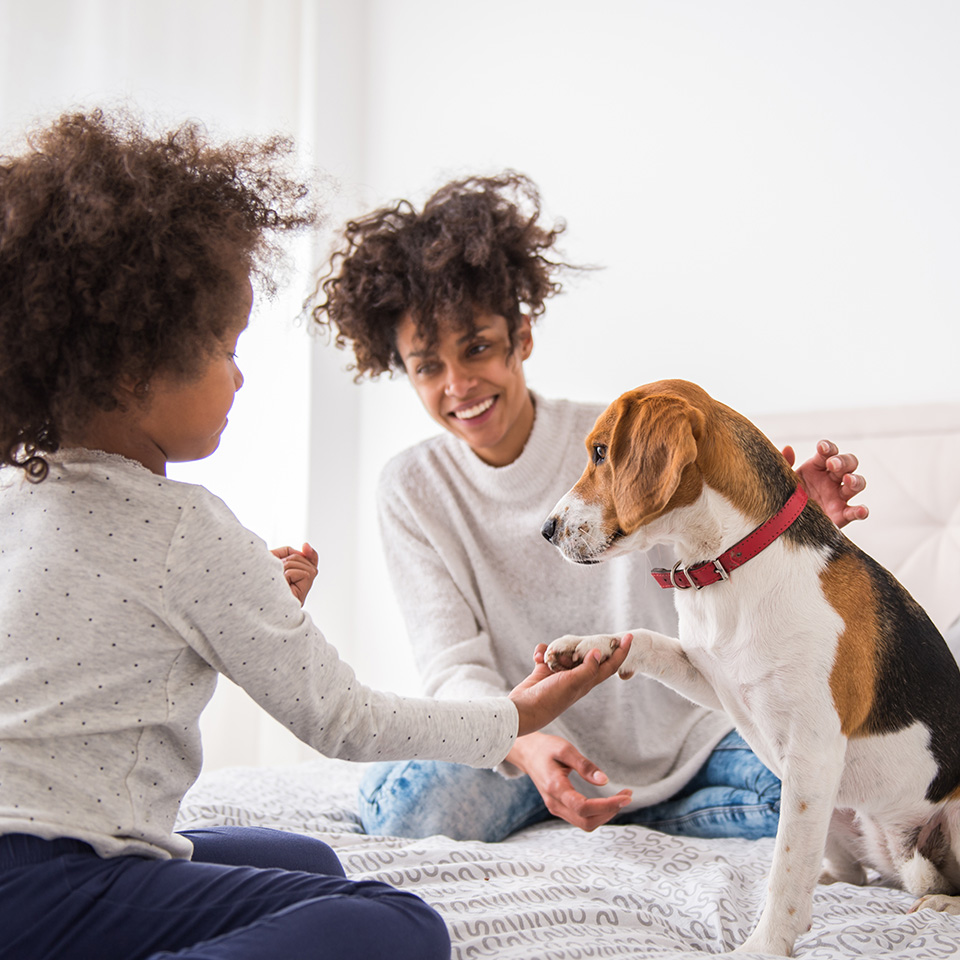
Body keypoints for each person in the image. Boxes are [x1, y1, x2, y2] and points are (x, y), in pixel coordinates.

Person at [0, 114, 631, 960]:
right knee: (396, 925)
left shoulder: (17, 496)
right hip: (50, 885)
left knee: (304, 858)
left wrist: (237, 604)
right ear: (131, 366)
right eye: (227, 348)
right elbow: (345, 723)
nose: (241, 374)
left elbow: (98, 662)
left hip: (35, 863)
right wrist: (513, 716)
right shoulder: (188, 528)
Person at [311, 171, 869, 844]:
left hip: (687, 731)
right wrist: (520, 743)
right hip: (525, 733)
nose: (458, 385)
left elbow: (712, 559)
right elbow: (453, 665)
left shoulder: (617, 437)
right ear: (402, 369)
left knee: (837, 797)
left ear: (521, 337)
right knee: (412, 811)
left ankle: (640, 808)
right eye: (428, 367)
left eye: (478, 347)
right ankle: (645, 811)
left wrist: (784, 526)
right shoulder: (410, 487)